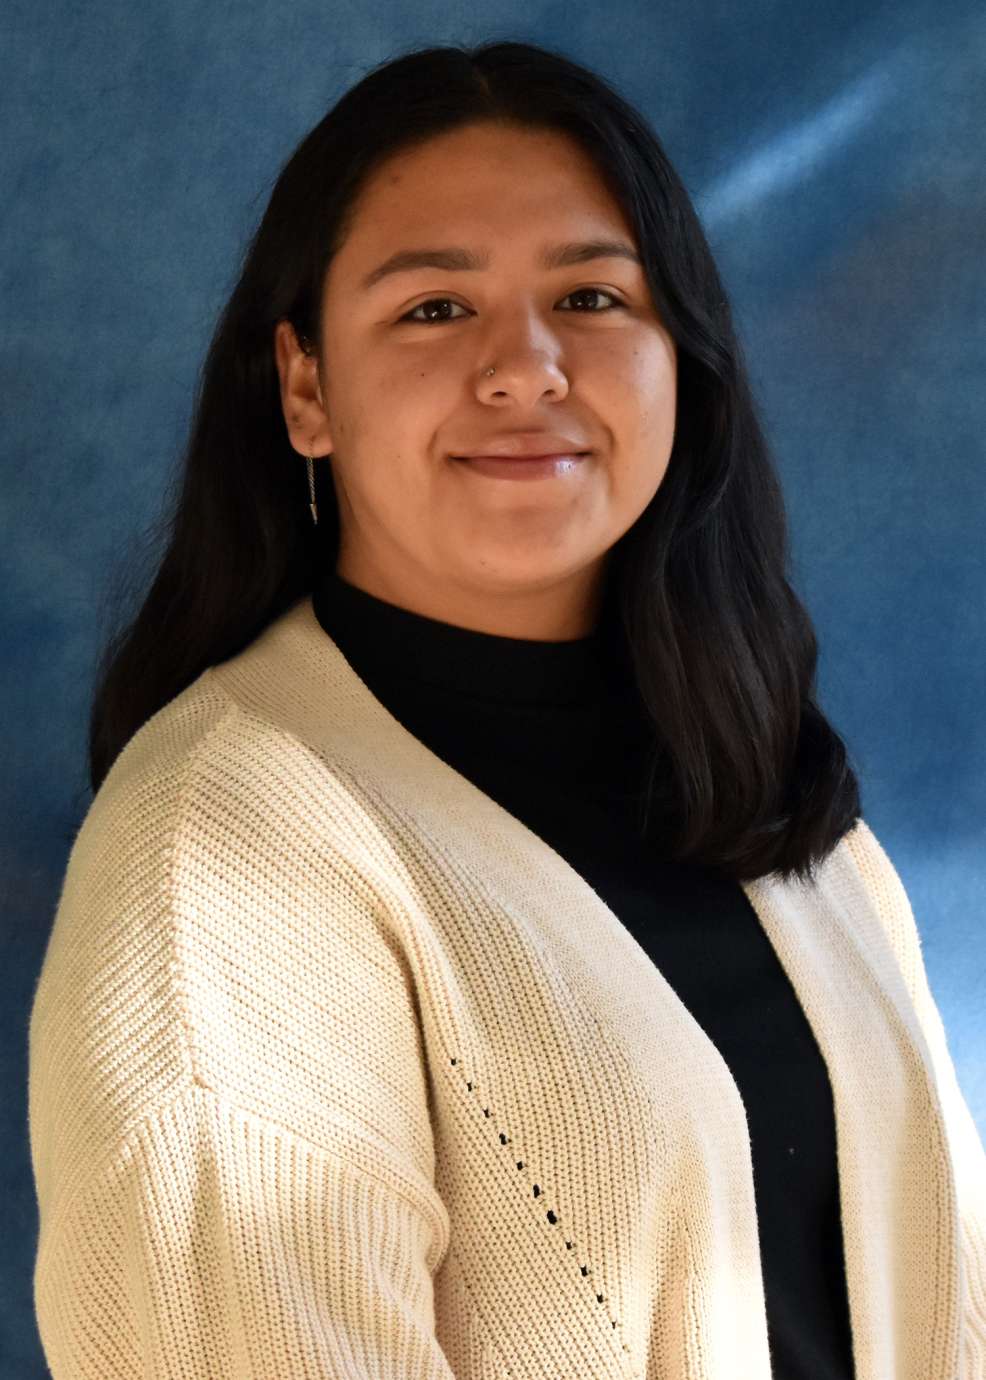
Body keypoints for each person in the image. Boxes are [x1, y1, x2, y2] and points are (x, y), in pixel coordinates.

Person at [28, 39, 986, 1380]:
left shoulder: (769, 795)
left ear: (681, 364)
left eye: (591, 296)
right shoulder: (223, 859)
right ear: (305, 386)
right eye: (433, 310)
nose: (525, 367)